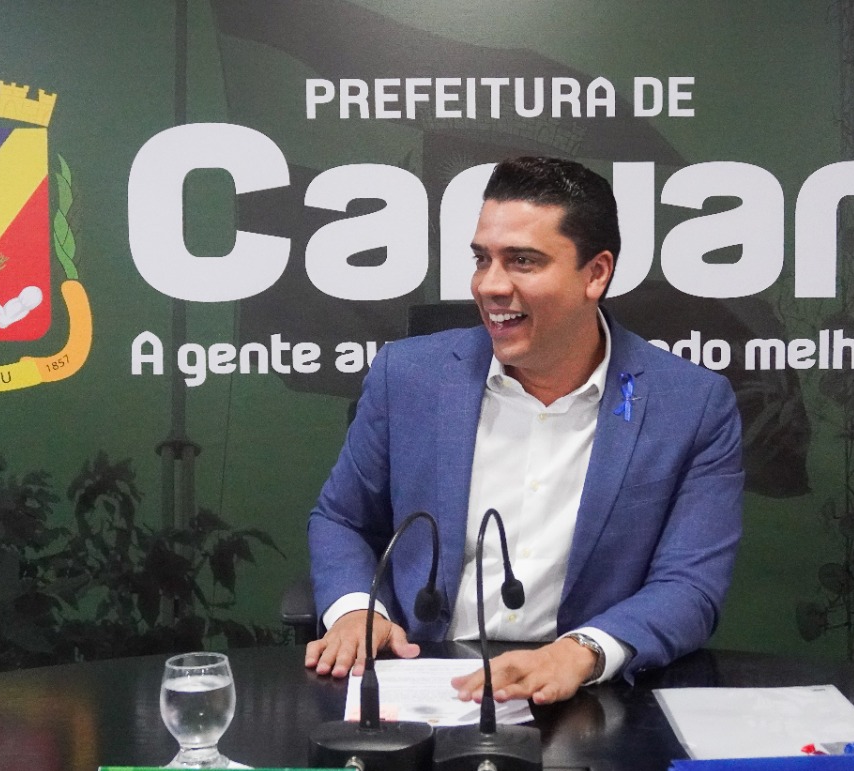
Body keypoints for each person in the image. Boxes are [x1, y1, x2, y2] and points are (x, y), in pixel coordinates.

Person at [305, 155, 743, 705]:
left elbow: (689, 586)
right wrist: (355, 610)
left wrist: (580, 652)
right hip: (421, 678)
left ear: (596, 274)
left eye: (523, 261)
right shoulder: (408, 376)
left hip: (585, 692)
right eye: (481, 259)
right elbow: (342, 519)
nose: (490, 285)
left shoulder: (692, 405)